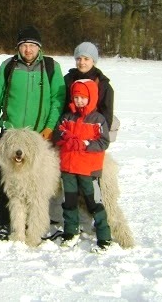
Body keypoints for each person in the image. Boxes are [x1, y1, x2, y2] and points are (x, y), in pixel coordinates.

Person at [0, 26, 66, 240]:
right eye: (24, 45)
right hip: (12, 133)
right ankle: (9, 222)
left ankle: (35, 226)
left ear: (39, 47)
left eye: (32, 45)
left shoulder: (51, 67)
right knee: (11, 181)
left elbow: (58, 100)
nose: (28, 50)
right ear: (18, 48)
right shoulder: (8, 66)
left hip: (38, 137)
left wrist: (50, 127)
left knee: (36, 185)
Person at [53, 79, 112, 252]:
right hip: (68, 168)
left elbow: (103, 142)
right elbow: (57, 133)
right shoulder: (67, 117)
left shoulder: (98, 120)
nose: (79, 101)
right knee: (69, 202)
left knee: (94, 203)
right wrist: (65, 137)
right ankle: (71, 232)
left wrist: (85, 144)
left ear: (91, 98)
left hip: (89, 170)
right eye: (76, 97)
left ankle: (104, 236)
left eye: (83, 97)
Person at [63, 42, 114, 130]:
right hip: (71, 125)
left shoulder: (102, 83)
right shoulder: (68, 79)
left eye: (86, 59)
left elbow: (106, 113)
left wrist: (102, 131)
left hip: (92, 126)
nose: (82, 62)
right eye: (78, 59)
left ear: (93, 61)